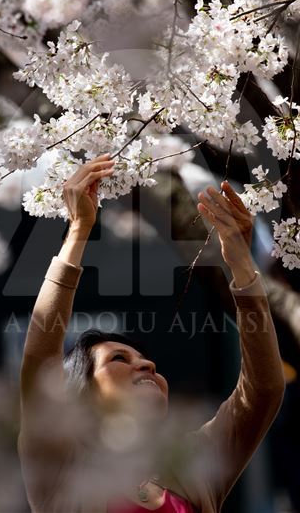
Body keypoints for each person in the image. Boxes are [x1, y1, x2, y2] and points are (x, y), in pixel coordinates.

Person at [17, 154, 286, 513]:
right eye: (118, 358)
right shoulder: (62, 468)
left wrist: (241, 265)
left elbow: (264, 389)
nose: (147, 365)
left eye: (144, 360)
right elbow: (40, 358)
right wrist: (80, 229)